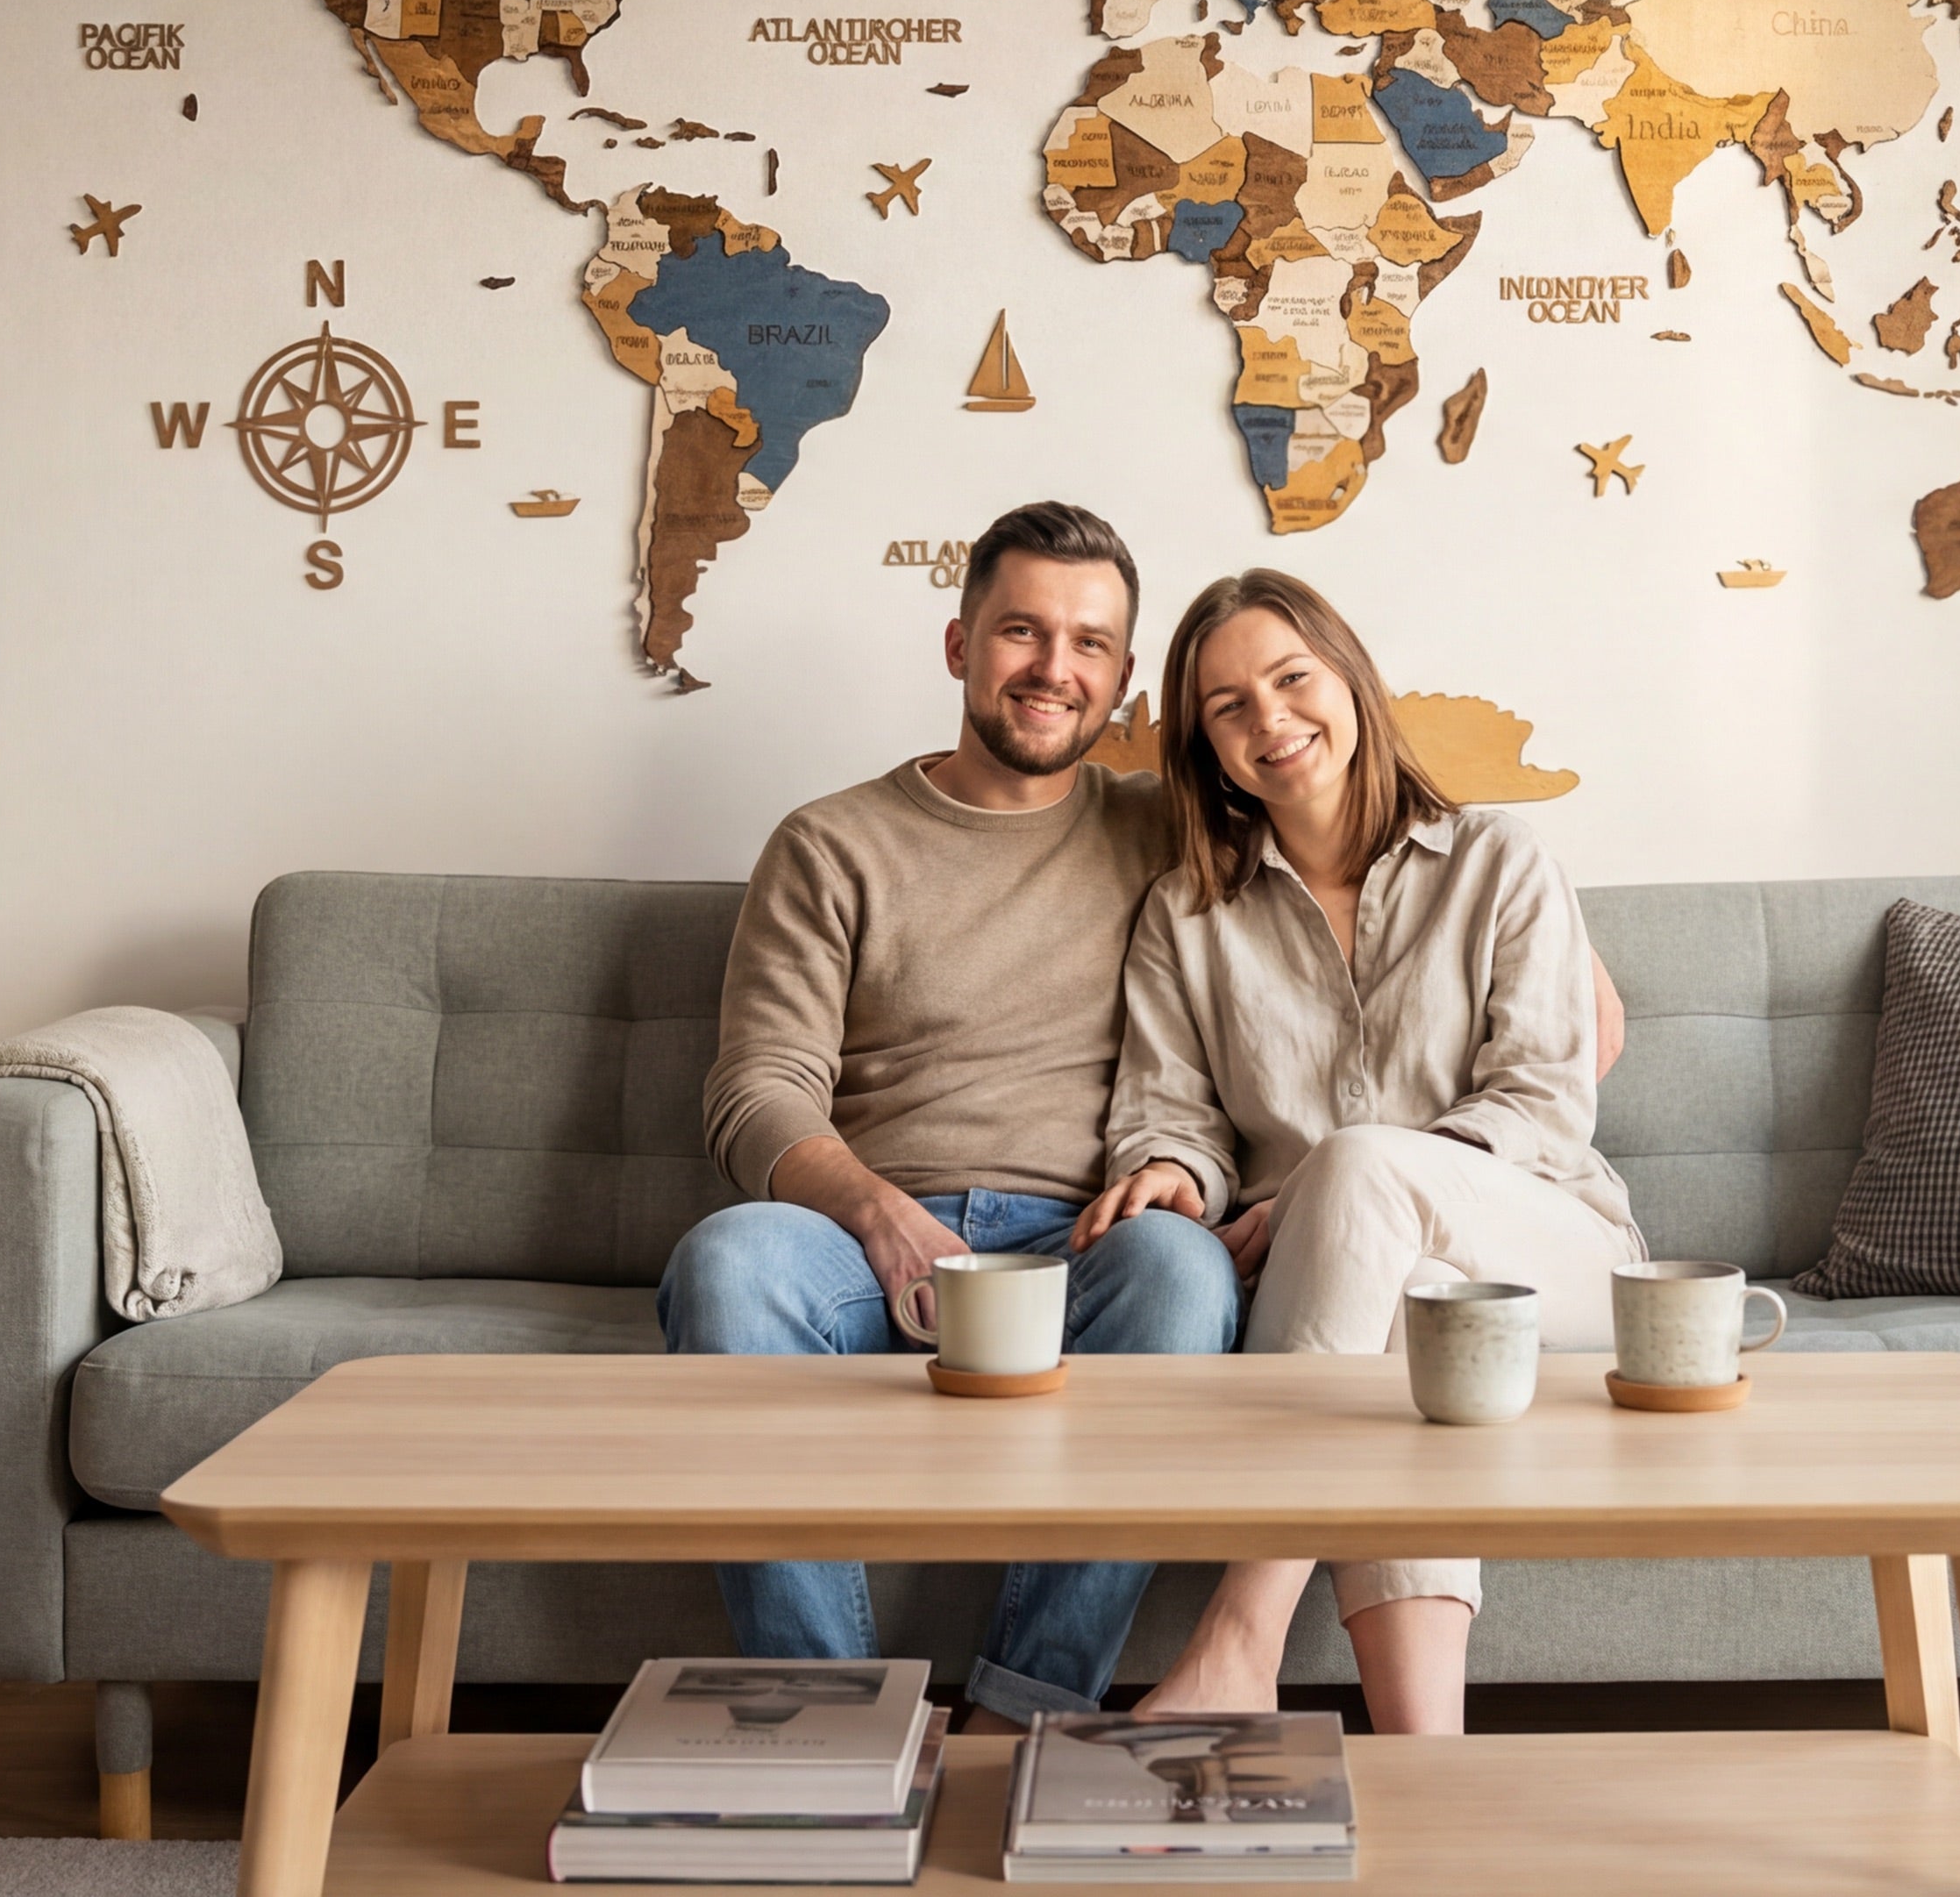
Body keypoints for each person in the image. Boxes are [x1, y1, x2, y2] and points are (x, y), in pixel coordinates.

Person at [659, 502, 1244, 1729]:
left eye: (1090, 644)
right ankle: (827, 1722)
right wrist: (875, 1213)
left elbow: (1353, 839)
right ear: (959, 643)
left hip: (1082, 1242)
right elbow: (756, 1085)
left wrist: (1559, 948)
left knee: (1186, 1274)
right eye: (1022, 631)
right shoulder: (831, 843)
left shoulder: (1168, 830)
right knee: (728, 1262)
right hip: (858, 1239)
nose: (1053, 668)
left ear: (1123, 677)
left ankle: (1026, 1712)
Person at [1072, 568, 1642, 1737]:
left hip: (1555, 1259)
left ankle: (1241, 1638)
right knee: (1409, 1301)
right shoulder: (1187, 913)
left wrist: (1341, 1185)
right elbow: (1167, 1110)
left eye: (1292, 678)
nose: (1270, 719)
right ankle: (1429, 1765)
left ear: (1350, 681)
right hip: (1369, 1300)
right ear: (1207, 747)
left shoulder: (1500, 861)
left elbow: (1545, 1104)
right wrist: (1175, 1172)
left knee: (1364, 1174)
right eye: (1229, 706)